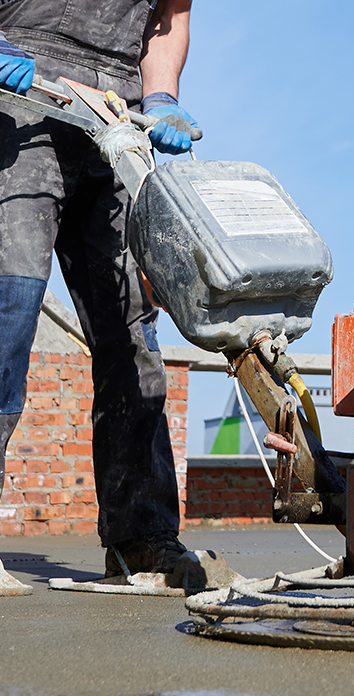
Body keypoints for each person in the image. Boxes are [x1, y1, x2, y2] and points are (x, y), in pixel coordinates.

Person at [0, 0, 198, 577]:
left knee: (132, 333)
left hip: (113, 113)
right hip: (19, 91)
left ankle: (142, 539)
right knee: (9, 311)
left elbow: (168, 18)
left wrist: (161, 97)